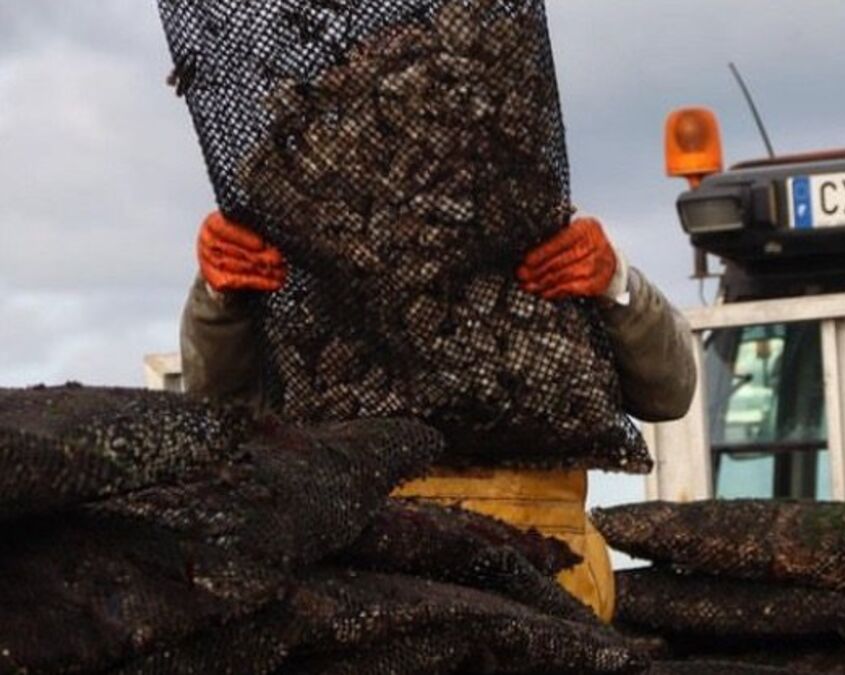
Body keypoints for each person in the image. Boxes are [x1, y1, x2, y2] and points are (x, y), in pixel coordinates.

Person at [182, 211, 697, 622]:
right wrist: (218, 296)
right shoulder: (295, 254)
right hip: (363, 577)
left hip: (552, 583)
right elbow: (217, 403)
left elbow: (669, 391)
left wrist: (616, 283)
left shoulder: (549, 242)